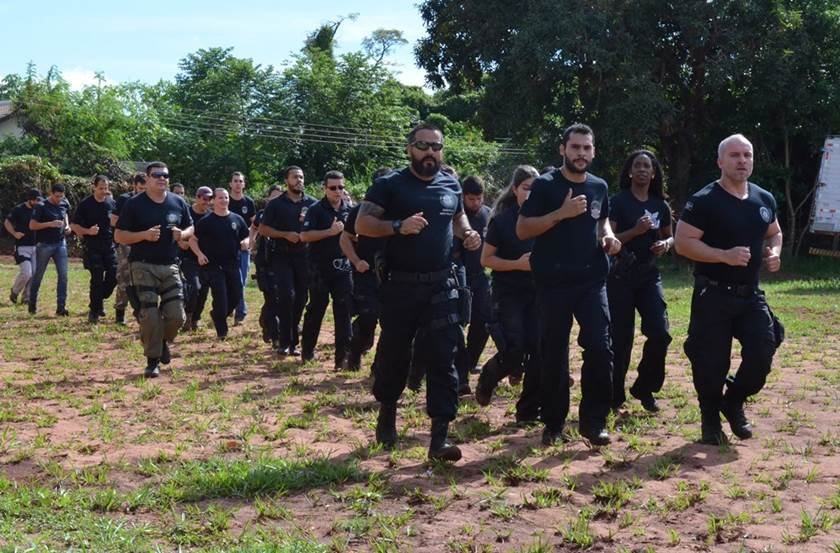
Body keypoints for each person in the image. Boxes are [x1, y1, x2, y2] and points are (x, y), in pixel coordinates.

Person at [357, 122, 482, 462]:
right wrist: (398, 226)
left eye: (436, 146)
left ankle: (439, 437)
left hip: (441, 284)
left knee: (444, 357)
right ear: (409, 148)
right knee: (395, 353)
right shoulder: (390, 185)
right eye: (423, 145)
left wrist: (468, 234)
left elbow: (457, 220)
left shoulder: (450, 183)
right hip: (400, 285)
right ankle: (387, 412)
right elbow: (363, 225)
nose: (430, 152)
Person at [516, 123, 621, 446]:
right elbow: (523, 229)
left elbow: (600, 220)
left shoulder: (599, 186)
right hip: (553, 282)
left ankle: (594, 421)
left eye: (587, 148)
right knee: (553, 353)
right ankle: (553, 422)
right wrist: (560, 213)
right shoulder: (545, 186)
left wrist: (608, 237)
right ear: (563, 149)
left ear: (593, 151)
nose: (581, 154)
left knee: (601, 349)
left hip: (591, 279)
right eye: (575, 147)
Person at [674, 134, 783, 445]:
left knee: (763, 352)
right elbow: (683, 243)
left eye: (747, 155)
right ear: (720, 161)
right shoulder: (704, 200)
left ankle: (733, 400)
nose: (742, 161)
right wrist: (723, 255)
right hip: (713, 294)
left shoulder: (763, 198)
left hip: (750, 294)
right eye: (734, 155)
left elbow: (774, 232)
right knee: (711, 362)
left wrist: (774, 252)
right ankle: (710, 419)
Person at [607, 150, 674, 412]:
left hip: (648, 275)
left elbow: (672, 237)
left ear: (654, 173)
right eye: (638, 165)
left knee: (660, 333)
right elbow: (608, 240)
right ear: (630, 171)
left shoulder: (661, 205)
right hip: (621, 275)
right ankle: (614, 396)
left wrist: (664, 245)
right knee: (621, 339)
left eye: (648, 166)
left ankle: (644, 387)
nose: (643, 169)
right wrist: (635, 231)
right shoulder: (618, 202)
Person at [474, 165, 541, 423]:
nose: (531, 194)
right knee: (515, 348)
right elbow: (486, 259)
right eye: (526, 188)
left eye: (536, 189)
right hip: (508, 292)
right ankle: (488, 379)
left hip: (538, 292)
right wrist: (518, 264)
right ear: (515, 190)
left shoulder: (546, 219)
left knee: (538, 349)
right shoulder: (502, 220)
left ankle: (528, 411)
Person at [115, 162, 193, 378]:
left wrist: (183, 234)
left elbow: (191, 226)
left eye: (165, 175)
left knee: (177, 316)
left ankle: (161, 342)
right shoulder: (134, 204)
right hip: (142, 264)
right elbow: (119, 235)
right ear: (147, 179)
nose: (162, 178)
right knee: (149, 315)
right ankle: (152, 361)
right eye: (156, 175)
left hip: (170, 264)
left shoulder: (178, 202)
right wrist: (143, 235)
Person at [259, 166, 317, 356]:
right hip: (281, 256)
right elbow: (264, 229)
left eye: (301, 177)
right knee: (286, 296)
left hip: (304, 257)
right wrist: (285, 235)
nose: (299, 180)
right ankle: (284, 341)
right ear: (286, 180)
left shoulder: (312, 204)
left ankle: (294, 340)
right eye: (295, 177)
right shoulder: (276, 204)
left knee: (301, 298)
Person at [341, 168, 393, 372]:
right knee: (368, 317)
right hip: (366, 273)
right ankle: (355, 352)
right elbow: (345, 238)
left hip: (393, 275)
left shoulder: (400, 210)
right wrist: (355, 261)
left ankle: (378, 367)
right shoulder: (360, 210)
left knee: (390, 325)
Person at [300, 171, 353, 367]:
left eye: (340, 187)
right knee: (316, 309)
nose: (337, 191)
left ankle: (342, 358)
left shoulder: (349, 209)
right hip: (318, 268)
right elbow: (304, 236)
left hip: (343, 267)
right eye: (333, 188)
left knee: (344, 310)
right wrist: (329, 232)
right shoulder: (316, 209)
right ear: (325, 188)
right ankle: (307, 350)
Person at [190, 188, 250, 340]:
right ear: (214, 201)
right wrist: (199, 254)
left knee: (236, 296)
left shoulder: (237, 219)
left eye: (226, 198)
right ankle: (222, 332)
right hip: (213, 267)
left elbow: (247, 237)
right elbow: (192, 240)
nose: (224, 200)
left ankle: (217, 314)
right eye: (220, 198)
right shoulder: (206, 222)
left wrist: (245, 242)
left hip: (233, 265)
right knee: (221, 298)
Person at [454, 175, 492, 383]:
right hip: (458, 278)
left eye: (479, 199)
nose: (475, 203)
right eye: (471, 199)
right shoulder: (456, 219)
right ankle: (457, 366)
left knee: (483, 322)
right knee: (459, 323)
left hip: (481, 277)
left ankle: (470, 361)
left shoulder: (488, 215)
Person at [70, 175, 118, 323]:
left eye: (106, 188)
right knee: (96, 279)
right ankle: (94, 311)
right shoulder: (86, 204)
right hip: (93, 247)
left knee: (113, 275)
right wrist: (88, 231)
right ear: (94, 188)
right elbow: (74, 226)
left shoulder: (111, 203)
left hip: (109, 246)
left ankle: (98, 299)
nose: (104, 191)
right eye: (101, 188)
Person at [28, 183, 72, 316]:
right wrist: (50, 224)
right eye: (56, 196)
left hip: (60, 243)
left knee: (63, 276)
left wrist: (67, 226)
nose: (58, 199)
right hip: (44, 245)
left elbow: (65, 215)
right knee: (38, 275)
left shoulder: (64, 203)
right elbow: (32, 225)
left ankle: (61, 307)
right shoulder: (41, 206)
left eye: (61, 196)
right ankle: (32, 303)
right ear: (51, 193)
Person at [111, 173, 146, 324]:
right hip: (126, 243)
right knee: (124, 278)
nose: (143, 191)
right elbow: (113, 221)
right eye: (140, 188)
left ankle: (141, 311)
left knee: (143, 279)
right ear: (134, 186)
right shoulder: (125, 200)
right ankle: (120, 311)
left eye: (145, 188)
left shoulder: (152, 199)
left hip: (145, 242)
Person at [252, 185, 284, 346]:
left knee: (282, 298)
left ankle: (268, 323)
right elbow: (254, 227)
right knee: (271, 298)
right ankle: (274, 335)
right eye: (274, 197)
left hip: (283, 260)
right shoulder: (263, 215)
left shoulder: (288, 213)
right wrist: (251, 241)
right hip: (265, 261)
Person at [178, 186, 212, 331]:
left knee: (204, 290)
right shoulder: (187, 213)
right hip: (187, 258)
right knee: (194, 287)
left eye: (210, 199)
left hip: (205, 258)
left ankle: (196, 319)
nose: (207, 202)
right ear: (197, 197)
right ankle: (188, 315)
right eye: (204, 198)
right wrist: (180, 242)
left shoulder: (211, 215)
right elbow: (176, 230)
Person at [228, 172, 256, 325]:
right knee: (229, 280)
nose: (238, 183)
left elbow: (255, 224)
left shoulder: (249, 202)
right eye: (235, 181)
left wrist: (250, 240)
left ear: (244, 184)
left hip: (244, 247)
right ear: (230, 184)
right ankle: (235, 308)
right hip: (226, 247)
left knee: (241, 280)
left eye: (241, 181)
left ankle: (240, 312)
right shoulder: (225, 200)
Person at [5, 188, 41, 305]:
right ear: (30, 200)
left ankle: (27, 297)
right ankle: (14, 291)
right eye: (35, 201)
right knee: (27, 272)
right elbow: (7, 222)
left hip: (36, 246)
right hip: (22, 247)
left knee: (34, 273)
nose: (37, 203)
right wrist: (15, 233)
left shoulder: (39, 209)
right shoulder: (19, 209)